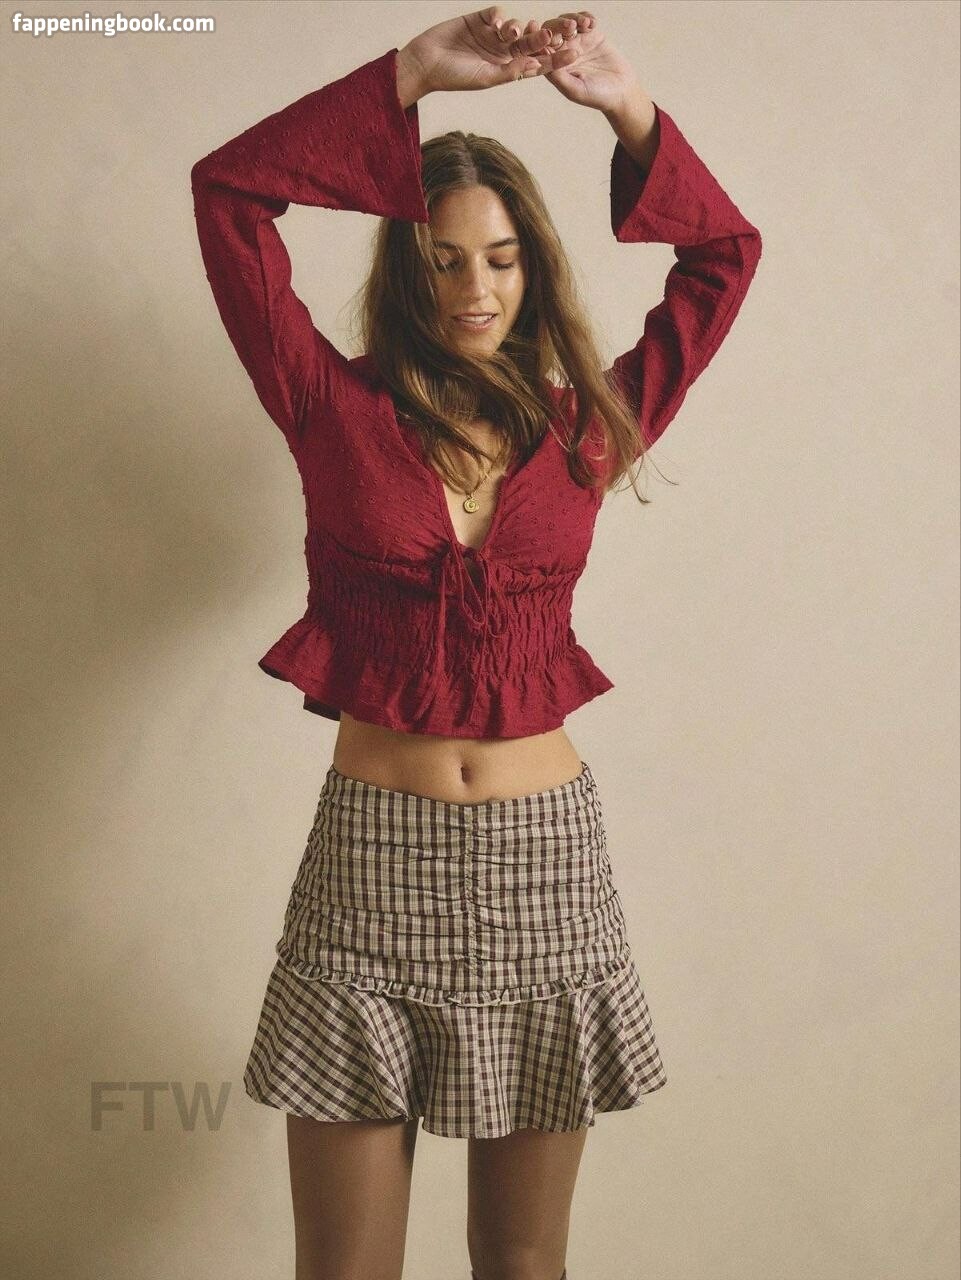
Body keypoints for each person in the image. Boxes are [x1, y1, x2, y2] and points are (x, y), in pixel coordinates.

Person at [190, 6, 762, 1278]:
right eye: (444, 260)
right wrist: (405, 78)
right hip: (370, 866)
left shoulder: (591, 424)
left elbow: (722, 256)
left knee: (521, 1260)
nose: (474, 289)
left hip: (545, 868)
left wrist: (626, 111)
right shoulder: (326, 402)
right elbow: (228, 198)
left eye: (500, 259)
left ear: (532, 267)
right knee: (344, 1268)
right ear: (408, 270)